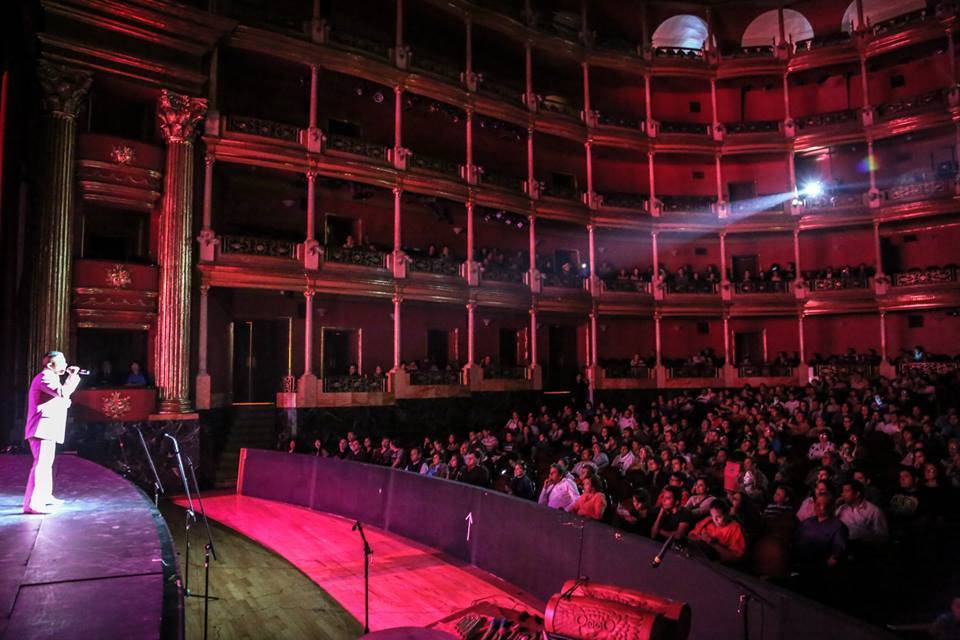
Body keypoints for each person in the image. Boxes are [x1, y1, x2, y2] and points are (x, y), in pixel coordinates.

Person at [23, 351, 81, 514]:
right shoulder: (45, 377)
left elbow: (58, 399)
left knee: (46, 464)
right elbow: (62, 392)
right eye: (61, 361)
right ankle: (33, 504)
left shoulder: (52, 378)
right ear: (49, 365)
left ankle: (45, 496)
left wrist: (64, 402)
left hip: (47, 428)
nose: (65, 364)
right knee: (41, 465)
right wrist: (73, 377)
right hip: (41, 429)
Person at [689, 500, 747, 564]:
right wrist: (702, 538)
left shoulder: (735, 528)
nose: (715, 520)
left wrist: (713, 544)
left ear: (727, 513)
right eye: (713, 516)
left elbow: (736, 558)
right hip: (697, 558)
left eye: (719, 516)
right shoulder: (709, 520)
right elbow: (691, 535)